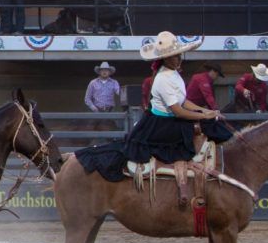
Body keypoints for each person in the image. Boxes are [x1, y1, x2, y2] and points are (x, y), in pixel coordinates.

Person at [74, 32, 232, 180]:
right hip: (163, 123)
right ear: (166, 59)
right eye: (174, 56)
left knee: (213, 124)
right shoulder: (163, 78)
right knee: (207, 126)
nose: (179, 59)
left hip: (170, 118)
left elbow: (182, 100)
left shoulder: (174, 74)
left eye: (179, 55)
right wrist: (204, 115)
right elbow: (177, 111)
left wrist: (205, 111)